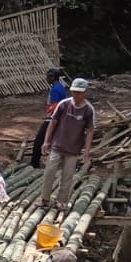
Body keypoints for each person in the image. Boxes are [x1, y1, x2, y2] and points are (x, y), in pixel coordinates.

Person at [39, 78, 97, 218]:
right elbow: (53, 123)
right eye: (74, 92)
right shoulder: (64, 104)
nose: (76, 95)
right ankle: (44, 199)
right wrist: (46, 141)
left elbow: (90, 131)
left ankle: (62, 202)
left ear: (84, 93)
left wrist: (87, 150)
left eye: (79, 93)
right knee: (49, 172)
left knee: (67, 176)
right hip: (57, 145)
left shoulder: (88, 110)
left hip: (73, 148)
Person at [30, 68, 69, 169]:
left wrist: (50, 116)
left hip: (53, 118)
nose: (46, 78)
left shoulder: (55, 89)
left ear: (52, 77)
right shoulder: (60, 87)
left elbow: (55, 105)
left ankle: (34, 163)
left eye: (48, 76)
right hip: (59, 117)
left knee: (39, 140)